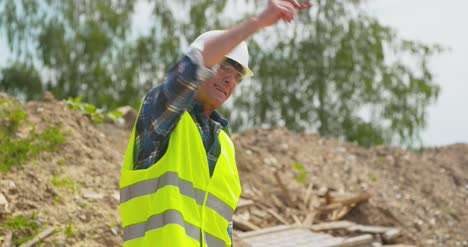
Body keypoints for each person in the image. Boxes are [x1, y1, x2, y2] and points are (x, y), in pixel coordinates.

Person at [119, 1, 312, 246]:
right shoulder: (163, 117)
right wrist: (258, 23)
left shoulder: (225, 146)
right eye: (224, 68)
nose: (229, 80)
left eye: (237, 77)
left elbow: (221, 230)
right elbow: (192, 67)